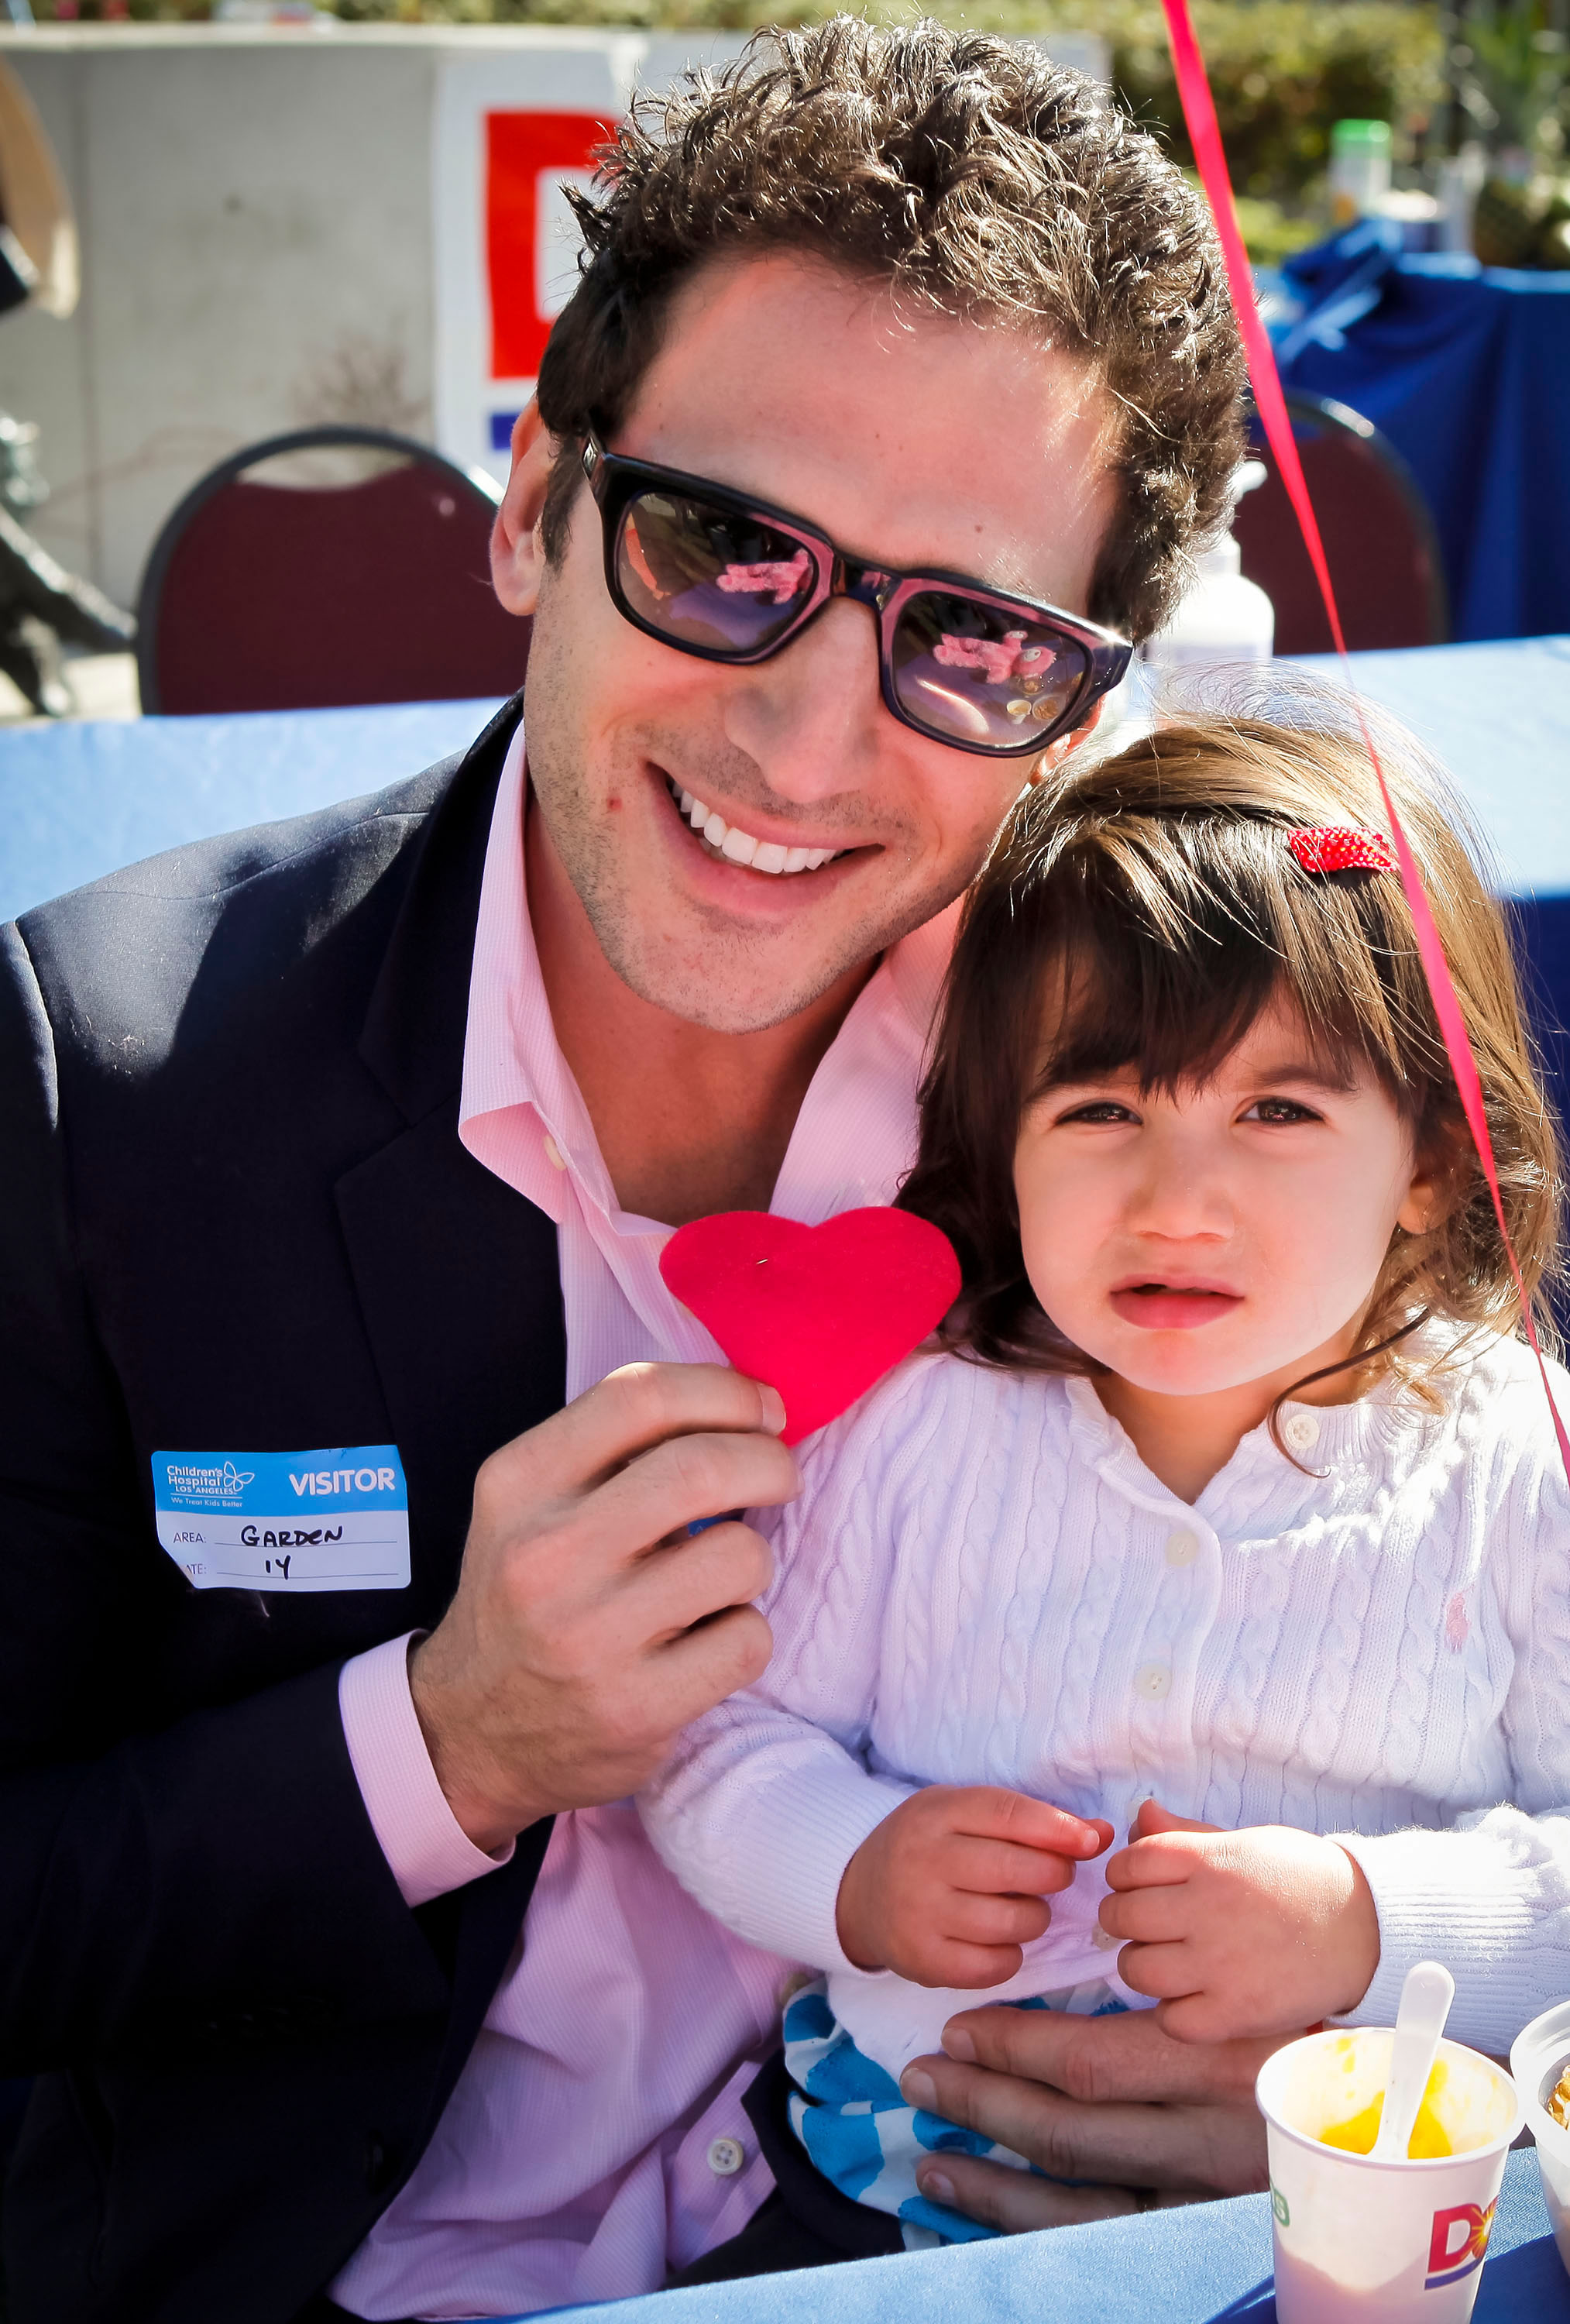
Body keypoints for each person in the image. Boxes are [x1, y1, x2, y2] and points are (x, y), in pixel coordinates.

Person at [0, 23, 1254, 2324]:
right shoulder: (106, 1080)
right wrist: (444, 1741)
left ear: (1073, 713)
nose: (801, 736)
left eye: (963, 638)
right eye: (721, 545)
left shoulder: (1152, 1119)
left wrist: (1311, 2033)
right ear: (531, 506)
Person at [641, 710, 1570, 2254]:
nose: (1176, 1202)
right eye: (1101, 1111)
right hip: (902, 2158)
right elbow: (717, 1730)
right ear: (1001, 1145)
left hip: (1362, 2195)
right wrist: (850, 1862)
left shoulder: (1519, 1461)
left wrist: (1365, 1921)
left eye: (1277, 1111)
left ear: (1424, 1158)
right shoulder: (916, 1431)